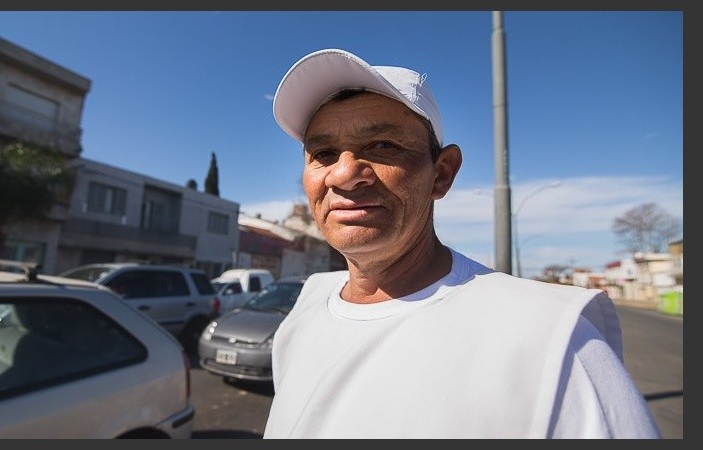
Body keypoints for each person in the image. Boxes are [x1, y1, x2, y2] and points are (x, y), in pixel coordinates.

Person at [262, 48, 661, 439]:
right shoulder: (306, 310)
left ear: (442, 173)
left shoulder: (556, 344)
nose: (345, 174)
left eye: (383, 145)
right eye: (323, 153)